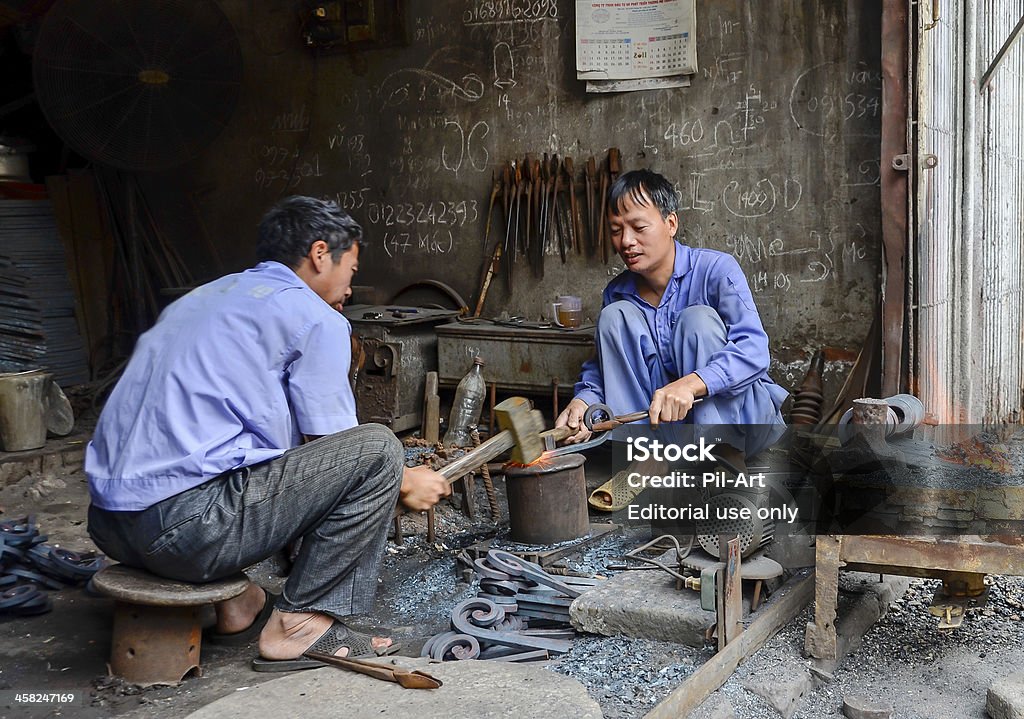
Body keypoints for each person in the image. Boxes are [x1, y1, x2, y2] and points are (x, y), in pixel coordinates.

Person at [85, 196, 450, 671]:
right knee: (379, 450)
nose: (349, 286)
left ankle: (238, 603)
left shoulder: (203, 298)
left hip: (110, 525)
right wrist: (406, 479)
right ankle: (299, 627)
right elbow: (335, 447)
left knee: (237, 456)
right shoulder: (315, 317)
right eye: (352, 269)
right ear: (321, 253)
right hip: (182, 532)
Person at [556, 169, 787, 458]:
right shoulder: (617, 293)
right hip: (670, 437)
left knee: (697, 321)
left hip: (742, 427)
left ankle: (718, 460)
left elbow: (754, 350)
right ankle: (644, 456)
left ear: (670, 223)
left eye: (638, 228)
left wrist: (692, 384)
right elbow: (602, 369)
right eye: (616, 230)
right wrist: (583, 401)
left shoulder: (717, 271)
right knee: (615, 317)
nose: (626, 241)